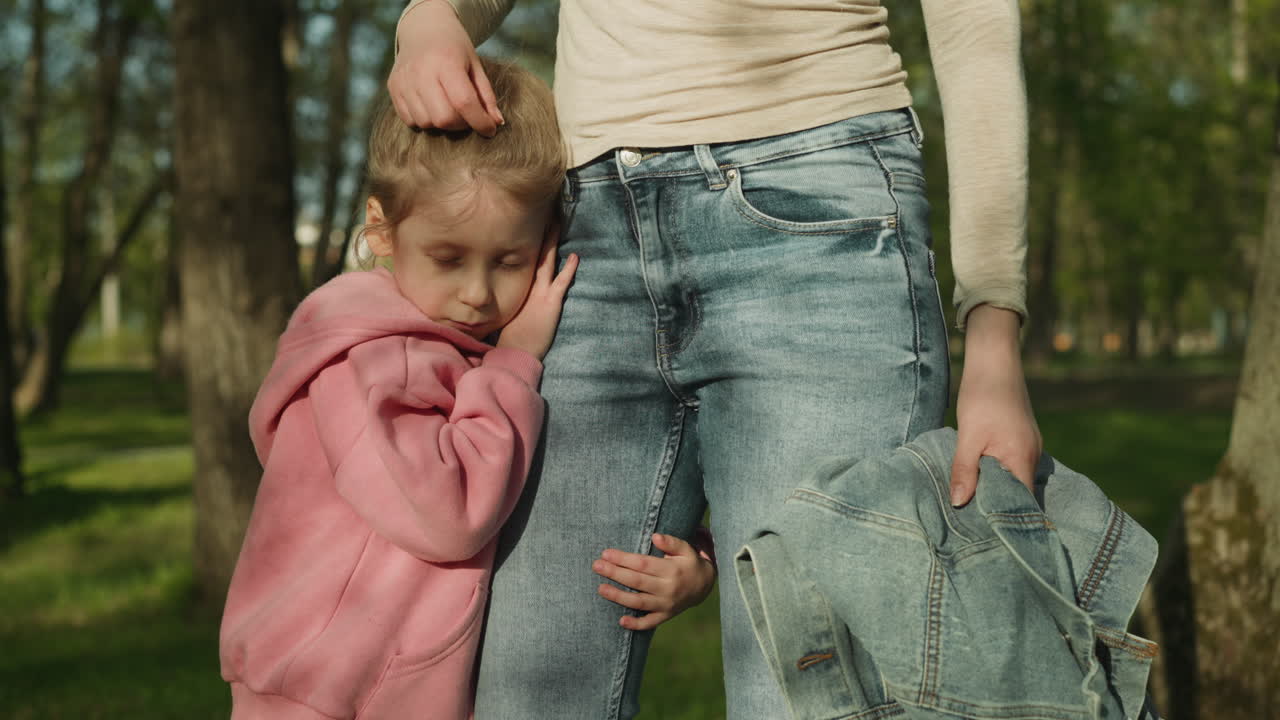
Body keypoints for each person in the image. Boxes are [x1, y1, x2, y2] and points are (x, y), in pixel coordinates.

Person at [390, 1, 1042, 718]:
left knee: (804, 696)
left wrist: (992, 334)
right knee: (526, 698)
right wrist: (432, 17)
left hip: (819, 210)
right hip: (583, 227)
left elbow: (975, 31)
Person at [218, 58, 715, 720]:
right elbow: (448, 516)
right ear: (381, 229)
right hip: (328, 695)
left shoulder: (450, 349)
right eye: (447, 259)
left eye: (509, 262)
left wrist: (697, 559)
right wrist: (513, 365)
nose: (478, 293)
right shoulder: (374, 357)